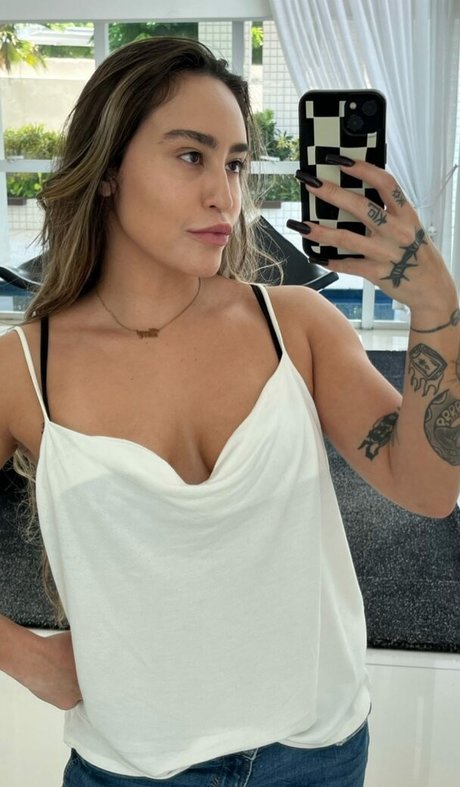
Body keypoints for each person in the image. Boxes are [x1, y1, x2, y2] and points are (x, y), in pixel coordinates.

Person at [0, 36, 458, 787]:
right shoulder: (24, 366)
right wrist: (25, 657)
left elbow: (430, 488)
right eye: (192, 156)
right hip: (131, 769)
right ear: (108, 170)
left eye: (237, 164)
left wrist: (437, 309)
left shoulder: (296, 324)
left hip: (317, 755)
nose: (225, 194)